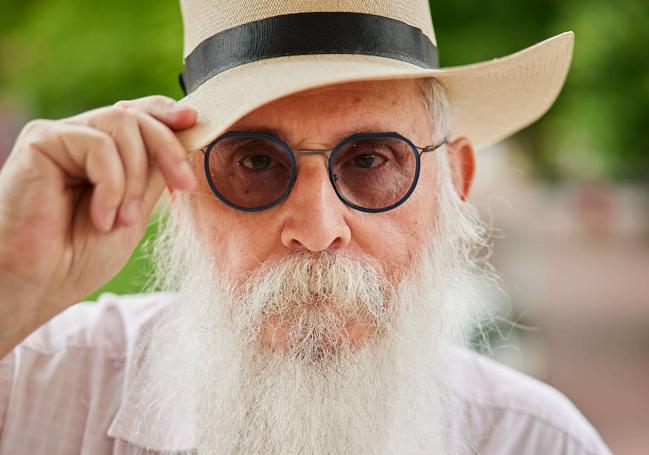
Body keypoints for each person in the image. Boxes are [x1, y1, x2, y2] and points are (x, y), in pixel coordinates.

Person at [0, 0, 611, 454]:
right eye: (257, 163)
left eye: (371, 160)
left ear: (452, 181)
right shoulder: (35, 381)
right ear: (179, 188)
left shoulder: (536, 441)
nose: (318, 231)